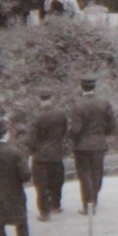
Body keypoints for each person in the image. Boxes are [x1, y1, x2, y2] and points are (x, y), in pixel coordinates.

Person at [70, 76, 118, 215]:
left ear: (81, 87)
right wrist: (103, 134)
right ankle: (94, 201)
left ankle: (88, 205)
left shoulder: (77, 104)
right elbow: (112, 124)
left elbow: (76, 129)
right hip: (99, 144)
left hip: (82, 145)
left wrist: (73, 138)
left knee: (84, 175)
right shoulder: (104, 103)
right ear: (94, 86)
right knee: (97, 173)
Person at [26, 88, 70, 222]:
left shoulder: (36, 116)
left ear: (39, 99)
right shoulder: (61, 114)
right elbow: (64, 131)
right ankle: (56, 205)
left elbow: (31, 139)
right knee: (57, 180)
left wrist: (32, 149)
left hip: (40, 155)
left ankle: (44, 212)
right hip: (56, 152)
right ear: (51, 98)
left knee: (41, 184)